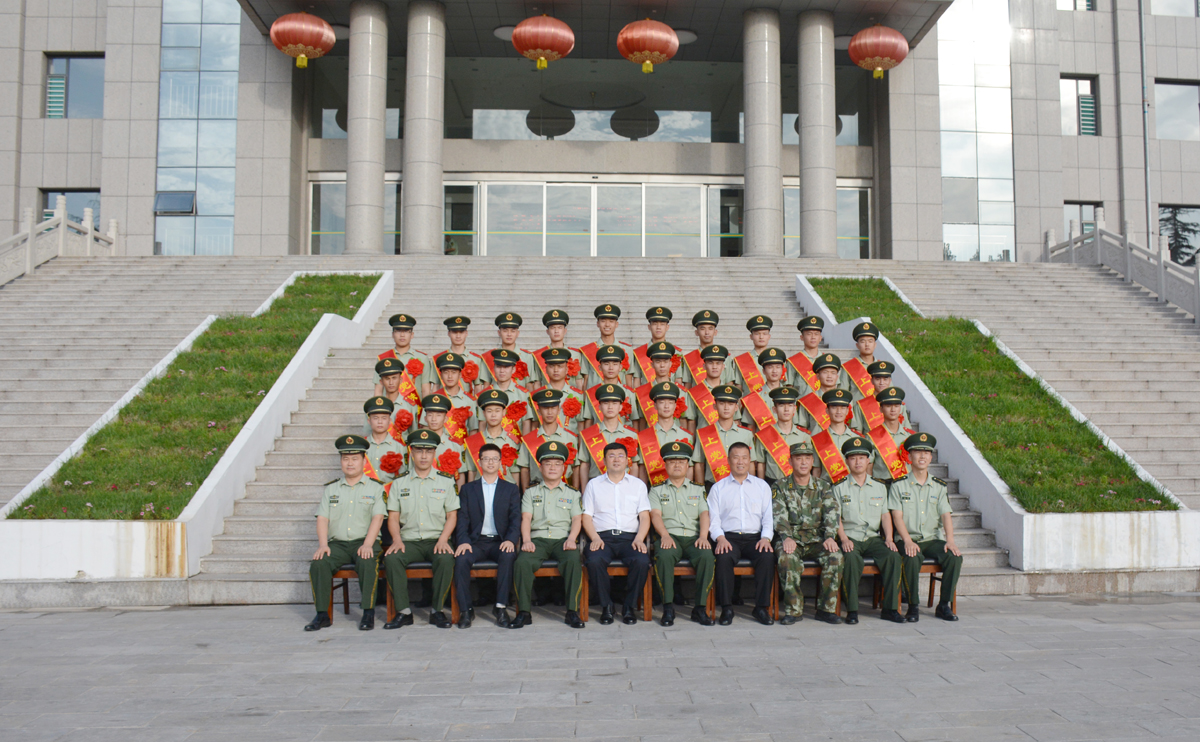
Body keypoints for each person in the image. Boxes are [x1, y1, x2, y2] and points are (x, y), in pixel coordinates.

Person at [305, 435, 387, 631]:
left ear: (364, 461)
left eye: (355, 459)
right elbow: (322, 518)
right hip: (338, 544)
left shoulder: (376, 488)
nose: (350, 463)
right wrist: (323, 545)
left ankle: (368, 613)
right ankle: (322, 615)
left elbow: (378, 518)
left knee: (367, 561)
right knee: (319, 563)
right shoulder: (331, 489)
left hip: (364, 541)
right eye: (345, 458)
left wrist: (368, 544)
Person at [382, 429, 460, 630]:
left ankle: (437, 611)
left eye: (428, 451)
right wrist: (396, 539)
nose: (424, 456)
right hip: (409, 540)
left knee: (445, 559)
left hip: (437, 538)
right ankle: (404, 612)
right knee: (392, 559)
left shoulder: (446, 481)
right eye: (419, 451)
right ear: (412, 452)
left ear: (434, 453)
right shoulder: (399, 483)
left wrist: (444, 539)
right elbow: (393, 517)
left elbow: (452, 516)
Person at [511, 441, 586, 630]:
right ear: (540, 467)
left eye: (557, 464)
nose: (552, 468)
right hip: (538, 540)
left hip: (563, 539)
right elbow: (526, 518)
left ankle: (572, 611)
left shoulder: (573, 493)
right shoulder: (530, 492)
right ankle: (524, 612)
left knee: (573, 560)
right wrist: (526, 540)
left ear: (564, 468)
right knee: (522, 563)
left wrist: (572, 539)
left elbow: (577, 519)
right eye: (548, 464)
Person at [890, 432, 962, 622]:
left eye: (926, 452)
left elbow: (945, 515)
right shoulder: (898, 485)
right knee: (912, 556)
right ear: (909, 456)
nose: (922, 456)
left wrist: (950, 541)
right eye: (917, 452)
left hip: (931, 539)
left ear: (931, 457)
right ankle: (913, 606)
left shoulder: (939, 486)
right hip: (907, 539)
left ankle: (944, 605)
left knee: (954, 557)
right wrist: (907, 541)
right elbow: (897, 517)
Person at [772, 441, 843, 625]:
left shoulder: (823, 487)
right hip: (791, 538)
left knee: (835, 556)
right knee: (787, 558)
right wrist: (786, 536)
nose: (803, 462)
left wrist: (830, 536)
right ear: (790, 461)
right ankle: (793, 610)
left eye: (807, 458)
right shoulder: (780, 486)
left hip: (817, 539)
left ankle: (826, 610)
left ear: (812, 461)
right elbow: (778, 514)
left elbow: (832, 513)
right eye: (798, 458)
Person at [834, 437, 904, 625]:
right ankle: (852, 610)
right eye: (853, 458)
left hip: (873, 538)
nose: (857, 462)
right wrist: (843, 539)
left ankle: (890, 609)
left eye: (861, 458)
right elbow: (836, 518)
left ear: (868, 460)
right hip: (851, 537)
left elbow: (885, 515)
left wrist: (889, 538)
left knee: (893, 556)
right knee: (850, 558)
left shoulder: (880, 487)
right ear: (847, 461)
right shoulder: (839, 487)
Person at [581, 442, 652, 625]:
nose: (616, 460)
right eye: (611, 456)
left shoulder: (638, 485)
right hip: (602, 538)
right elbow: (586, 517)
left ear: (627, 460)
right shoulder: (593, 485)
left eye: (620, 456)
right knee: (594, 560)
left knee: (642, 561)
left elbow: (644, 516)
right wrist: (594, 538)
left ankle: (629, 607)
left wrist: (640, 538)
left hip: (630, 538)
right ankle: (607, 606)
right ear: (604, 460)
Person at [453, 443, 522, 629]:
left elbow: (515, 519)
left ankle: (500, 607)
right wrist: (463, 541)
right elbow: (462, 519)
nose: (490, 462)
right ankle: (466, 610)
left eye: (494, 459)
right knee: (461, 559)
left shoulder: (510, 489)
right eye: (486, 459)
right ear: (479, 462)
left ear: (500, 462)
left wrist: (510, 540)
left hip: (500, 541)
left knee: (508, 556)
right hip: (476, 542)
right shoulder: (468, 489)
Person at [648, 441, 715, 627]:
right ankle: (668, 607)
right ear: (665, 465)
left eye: (681, 461)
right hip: (670, 537)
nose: (676, 465)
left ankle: (700, 608)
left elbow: (704, 514)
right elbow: (655, 515)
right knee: (664, 556)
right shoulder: (656, 490)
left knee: (707, 556)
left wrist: (703, 536)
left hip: (694, 538)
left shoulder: (698, 489)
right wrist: (664, 535)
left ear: (687, 465)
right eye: (672, 461)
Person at [707, 442, 775, 626]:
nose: (740, 462)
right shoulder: (718, 488)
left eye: (744, 457)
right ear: (728, 460)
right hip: (728, 538)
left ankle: (761, 607)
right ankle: (727, 608)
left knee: (767, 556)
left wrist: (766, 538)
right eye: (736, 457)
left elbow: (768, 517)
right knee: (723, 557)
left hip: (755, 538)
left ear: (750, 460)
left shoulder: (762, 486)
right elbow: (713, 520)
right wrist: (720, 538)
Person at [515, 388, 589, 491]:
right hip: (537, 491)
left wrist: (575, 492)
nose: (549, 412)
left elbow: (575, 468)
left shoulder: (571, 438)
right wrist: (525, 494)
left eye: (553, 408)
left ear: (559, 410)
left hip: (564, 490)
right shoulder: (529, 439)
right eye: (545, 408)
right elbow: (524, 469)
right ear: (539, 411)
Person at [692, 385, 762, 487]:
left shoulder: (746, 434)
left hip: (740, 486)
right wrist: (701, 490)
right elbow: (699, 464)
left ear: (736, 407)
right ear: (715, 406)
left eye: (730, 404)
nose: (726, 408)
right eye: (721, 403)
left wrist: (750, 487)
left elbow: (750, 463)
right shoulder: (704, 433)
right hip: (712, 485)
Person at [753, 386, 815, 486]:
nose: (786, 409)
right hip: (772, 484)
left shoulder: (804, 436)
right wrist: (761, 487)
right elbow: (761, 464)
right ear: (774, 409)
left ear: (794, 409)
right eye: (781, 405)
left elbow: (808, 464)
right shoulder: (764, 435)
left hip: (797, 485)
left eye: (790, 405)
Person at [639, 381, 696, 487]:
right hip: (654, 489)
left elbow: (689, 467)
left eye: (670, 402)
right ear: (655, 405)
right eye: (662, 402)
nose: (666, 406)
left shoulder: (686, 436)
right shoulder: (644, 436)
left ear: (675, 405)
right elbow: (642, 469)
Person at [580, 384, 642, 480]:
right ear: (599, 407)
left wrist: (631, 487)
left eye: (614, 403)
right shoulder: (589, 434)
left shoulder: (631, 435)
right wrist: (585, 488)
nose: (610, 407)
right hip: (597, 484)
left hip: (623, 484)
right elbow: (585, 465)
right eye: (605, 403)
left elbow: (634, 465)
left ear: (620, 407)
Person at [464, 389, 523, 485]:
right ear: (484, 413)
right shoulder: (474, 441)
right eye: (489, 411)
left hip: (506, 491)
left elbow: (515, 473)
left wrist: (515, 492)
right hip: (481, 490)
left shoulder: (513, 442)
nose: (493, 415)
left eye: (497, 410)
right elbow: (472, 472)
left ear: (504, 412)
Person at [418, 393, 473, 486]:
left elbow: (460, 475)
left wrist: (458, 495)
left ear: (445, 419)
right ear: (425, 418)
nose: (434, 419)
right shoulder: (417, 444)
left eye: (438, 415)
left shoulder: (455, 445)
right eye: (430, 415)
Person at [476, 349, 535, 435]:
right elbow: (482, 423)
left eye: (506, 367)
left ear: (513, 369)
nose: (502, 371)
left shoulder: (523, 394)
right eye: (498, 366)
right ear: (494, 368)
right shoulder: (485, 394)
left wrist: (524, 443)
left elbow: (526, 423)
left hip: (516, 442)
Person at [375, 313, 433, 396]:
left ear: (412, 335)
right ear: (392, 334)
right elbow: (378, 390)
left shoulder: (422, 358)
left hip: (414, 404)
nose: (402, 335)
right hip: (390, 404)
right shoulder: (383, 359)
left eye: (406, 331)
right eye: (398, 331)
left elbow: (426, 390)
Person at [866, 387, 917, 482]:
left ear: (901, 409)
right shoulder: (872, 437)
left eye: (896, 406)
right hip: (881, 485)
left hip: (905, 484)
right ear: (881, 409)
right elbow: (869, 466)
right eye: (888, 406)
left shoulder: (909, 436)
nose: (893, 409)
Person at [536, 347, 591, 432]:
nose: (556, 370)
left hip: (571, 440)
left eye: (560, 366)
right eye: (552, 366)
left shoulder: (578, 395)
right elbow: (535, 427)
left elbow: (581, 426)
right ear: (546, 369)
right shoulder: (538, 396)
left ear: (566, 369)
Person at [584, 345, 640, 428]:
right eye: (606, 364)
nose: (611, 368)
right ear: (600, 367)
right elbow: (589, 421)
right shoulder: (591, 393)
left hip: (623, 435)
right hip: (600, 435)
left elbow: (634, 421)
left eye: (615, 364)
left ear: (620, 367)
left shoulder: (629, 393)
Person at [433, 316, 487, 395]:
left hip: (467, 402)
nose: (458, 336)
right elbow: (436, 386)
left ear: (466, 333)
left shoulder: (476, 359)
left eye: (461, 332)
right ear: (448, 333)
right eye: (454, 332)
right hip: (445, 401)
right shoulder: (439, 359)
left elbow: (478, 387)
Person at [581, 304, 633, 387]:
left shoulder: (627, 350)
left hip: (619, 395)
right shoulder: (587, 351)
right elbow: (585, 380)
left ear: (616, 324)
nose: (607, 324)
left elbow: (628, 380)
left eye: (611, 321)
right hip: (594, 395)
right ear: (598, 324)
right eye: (603, 321)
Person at [681, 310, 734, 386]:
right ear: (696, 332)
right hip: (698, 394)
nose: (707, 332)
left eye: (710, 328)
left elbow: (729, 383)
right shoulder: (689, 358)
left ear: (715, 332)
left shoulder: (726, 357)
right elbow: (688, 385)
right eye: (702, 329)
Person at [684, 344, 729, 433]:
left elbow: (735, 421)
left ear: (723, 367)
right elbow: (691, 422)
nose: (714, 367)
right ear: (704, 366)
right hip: (704, 439)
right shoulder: (694, 392)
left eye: (718, 363)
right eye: (710, 362)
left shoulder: (730, 392)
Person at [370, 358, 420, 438]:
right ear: (381, 382)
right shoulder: (373, 406)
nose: (391, 383)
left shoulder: (410, 406)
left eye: (394, 378)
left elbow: (414, 435)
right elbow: (368, 436)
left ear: (400, 380)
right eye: (387, 378)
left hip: (402, 445)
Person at [740, 348, 788, 429]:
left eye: (778, 367)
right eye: (770, 367)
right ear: (764, 371)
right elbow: (751, 428)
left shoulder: (790, 395)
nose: (774, 371)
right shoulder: (754, 398)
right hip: (762, 437)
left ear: (782, 370)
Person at [534, 310, 585, 388]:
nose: (556, 331)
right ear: (547, 331)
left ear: (565, 331)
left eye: (560, 327)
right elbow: (537, 383)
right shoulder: (539, 355)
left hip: (570, 395)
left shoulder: (576, 354)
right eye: (552, 328)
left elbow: (579, 382)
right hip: (548, 394)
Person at [432, 352, 478, 435]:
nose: (450, 376)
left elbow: (473, 430)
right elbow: (426, 427)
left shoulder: (470, 401)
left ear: (460, 375)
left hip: (461, 443)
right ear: (441, 375)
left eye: (453, 372)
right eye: (446, 372)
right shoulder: (433, 399)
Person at [631, 306, 680, 386]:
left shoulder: (676, 352)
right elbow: (637, 379)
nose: (658, 327)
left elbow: (678, 380)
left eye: (662, 324)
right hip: (646, 393)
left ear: (667, 327)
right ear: (649, 327)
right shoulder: (639, 353)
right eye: (655, 324)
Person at [363, 396, 406, 483]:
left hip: (389, 489)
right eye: (375, 418)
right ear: (369, 421)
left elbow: (403, 476)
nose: (380, 422)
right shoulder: (362, 446)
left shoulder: (399, 447)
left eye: (384, 418)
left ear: (390, 421)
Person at [489, 312, 538, 388]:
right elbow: (487, 386)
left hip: (520, 395)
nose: (509, 334)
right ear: (499, 333)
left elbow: (529, 385)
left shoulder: (527, 357)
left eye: (513, 331)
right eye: (505, 330)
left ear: (518, 333)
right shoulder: (490, 357)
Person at [730, 315, 773, 394]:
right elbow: (739, 388)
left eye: (764, 334)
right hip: (750, 401)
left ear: (769, 336)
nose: (761, 337)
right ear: (751, 336)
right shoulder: (742, 360)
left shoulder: (777, 359)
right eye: (757, 334)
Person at [841, 322, 881, 400]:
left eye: (870, 341)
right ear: (857, 345)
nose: (867, 344)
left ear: (875, 345)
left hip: (878, 408)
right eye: (863, 341)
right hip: (856, 407)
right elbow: (842, 394)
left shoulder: (882, 367)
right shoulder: (848, 367)